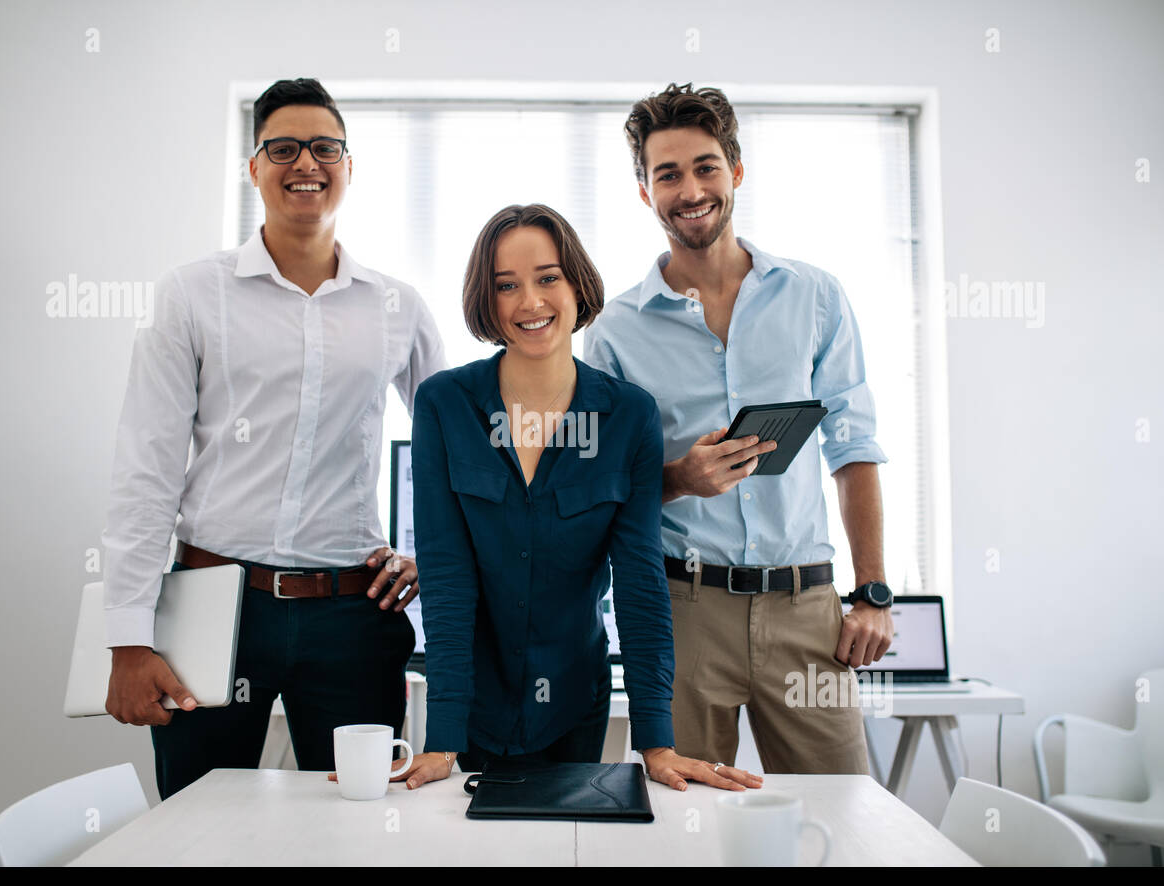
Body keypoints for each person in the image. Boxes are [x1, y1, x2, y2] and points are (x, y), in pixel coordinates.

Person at [102, 78, 446, 799]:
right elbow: (147, 470)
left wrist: (432, 558)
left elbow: (460, 455)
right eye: (282, 148)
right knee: (197, 823)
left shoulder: (396, 308)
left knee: (358, 824)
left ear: (349, 166)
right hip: (212, 605)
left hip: (352, 615)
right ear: (253, 167)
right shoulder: (192, 295)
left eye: (325, 148)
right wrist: (129, 637)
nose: (305, 164)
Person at [393, 203, 763, 793]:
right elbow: (447, 580)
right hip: (472, 707)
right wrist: (442, 739)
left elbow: (639, 582)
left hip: (574, 701)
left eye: (547, 278)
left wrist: (657, 743)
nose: (529, 302)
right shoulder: (444, 405)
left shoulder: (629, 416)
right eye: (505, 285)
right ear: (486, 301)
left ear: (576, 284)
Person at [584, 83, 893, 774]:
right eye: (667, 174)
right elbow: (600, 487)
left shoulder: (814, 296)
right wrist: (678, 479)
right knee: (686, 824)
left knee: (844, 813)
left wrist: (871, 591)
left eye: (704, 167)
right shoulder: (614, 331)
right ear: (644, 192)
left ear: (736, 171)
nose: (689, 189)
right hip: (683, 613)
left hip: (807, 612)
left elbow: (854, 447)